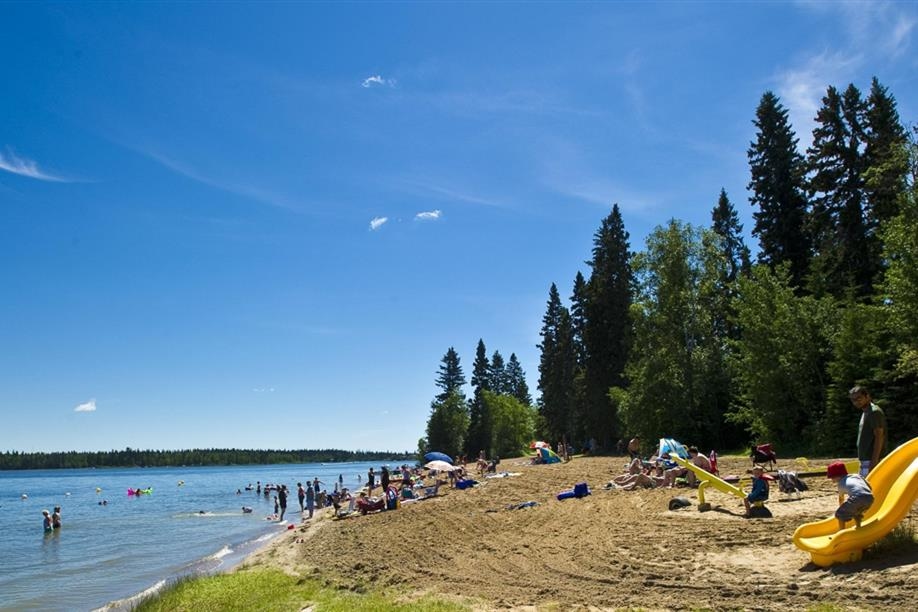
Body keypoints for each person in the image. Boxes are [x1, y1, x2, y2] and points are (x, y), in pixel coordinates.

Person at [849, 386, 886, 477]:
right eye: (853, 400)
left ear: (867, 397)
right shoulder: (866, 412)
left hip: (871, 460)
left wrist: (874, 461)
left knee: (869, 489)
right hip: (865, 460)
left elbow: (879, 437)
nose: (856, 402)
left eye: (859, 398)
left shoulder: (874, 412)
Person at [827, 460, 874, 530]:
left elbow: (841, 499)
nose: (831, 480)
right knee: (857, 512)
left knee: (840, 514)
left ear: (837, 476)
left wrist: (842, 508)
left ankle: (841, 532)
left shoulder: (841, 484)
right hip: (870, 498)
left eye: (832, 477)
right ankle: (858, 527)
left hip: (858, 498)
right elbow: (869, 485)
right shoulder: (856, 476)